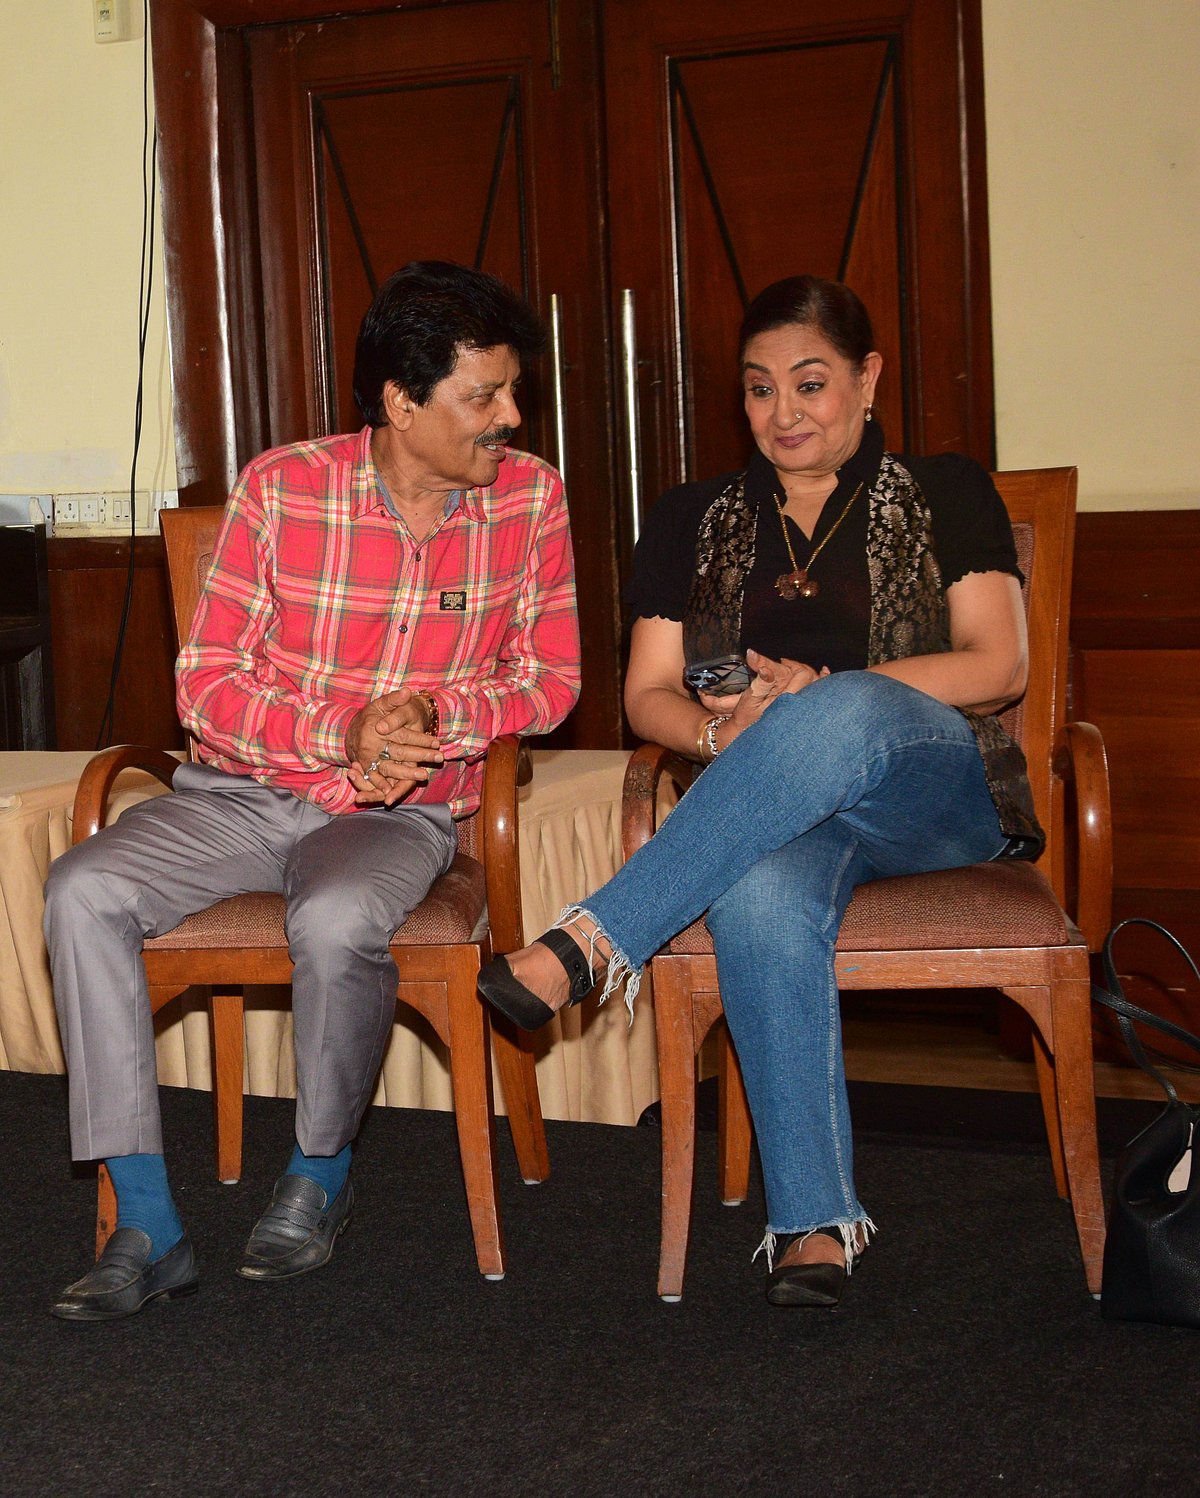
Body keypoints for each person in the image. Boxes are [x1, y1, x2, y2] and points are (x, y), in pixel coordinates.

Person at [478, 274, 1042, 1309]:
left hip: (932, 789)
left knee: (843, 711)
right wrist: (716, 728)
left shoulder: (945, 487)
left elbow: (998, 665)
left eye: (812, 384)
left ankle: (596, 937)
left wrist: (826, 699)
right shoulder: (694, 517)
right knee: (759, 888)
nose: (784, 413)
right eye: (759, 389)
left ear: (868, 380)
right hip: (776, 802)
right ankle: (813, 1223)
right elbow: (647, 695)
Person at [45, 261, 580, 1321]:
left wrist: (424, 723)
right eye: (483, 397)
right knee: (80, 889)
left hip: (399, 811)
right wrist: (339, 730)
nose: (510, 418)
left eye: (512, 391)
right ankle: (145, 1222)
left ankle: (319, 1173)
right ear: (399, 402)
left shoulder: (530, 498)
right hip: (241, 795)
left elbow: (553, 679)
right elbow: (208, 682)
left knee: (337, 918)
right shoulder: (281, 487)